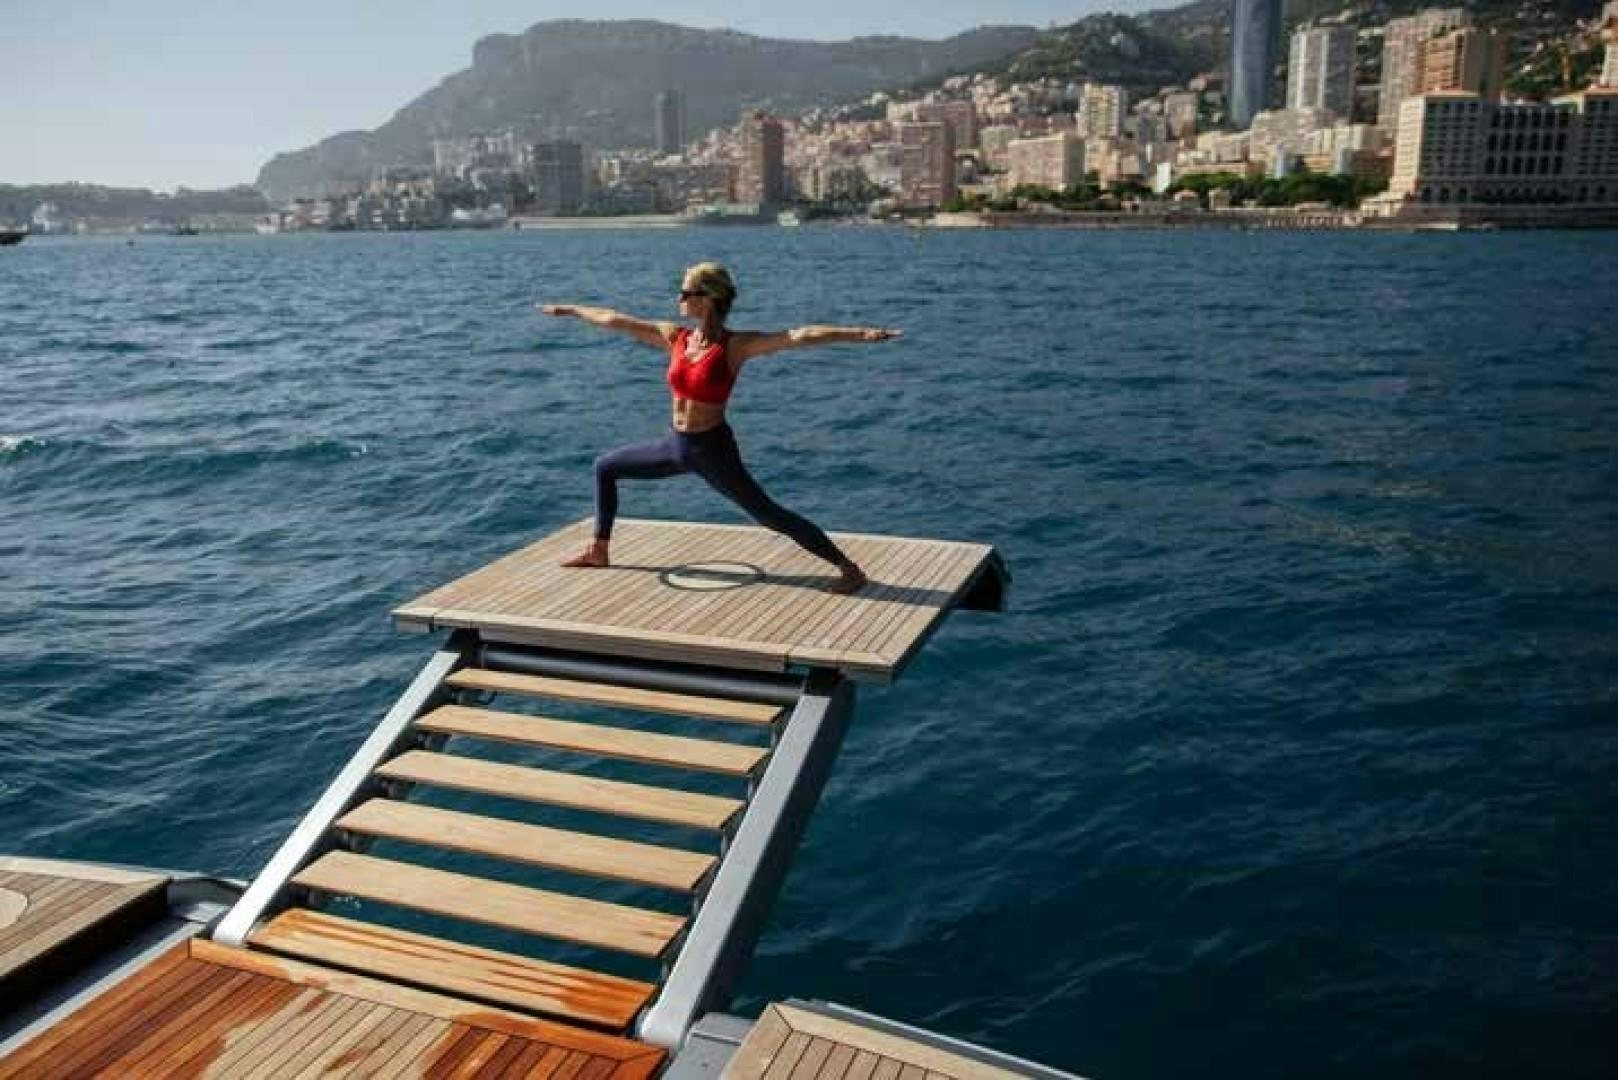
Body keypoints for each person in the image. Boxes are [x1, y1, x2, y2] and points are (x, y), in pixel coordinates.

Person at [539, 261, 901, 594]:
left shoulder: (735, 346)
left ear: (708, 299)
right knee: (605, 467)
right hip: (677, 445)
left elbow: (800, 336)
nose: (678, 298)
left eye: (686, 293)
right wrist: (571, 310)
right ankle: (599, 549)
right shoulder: (675, 337)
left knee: (768, 514)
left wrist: (861, 333)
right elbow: (614, 319)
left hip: (712, 450)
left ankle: (849, 569)